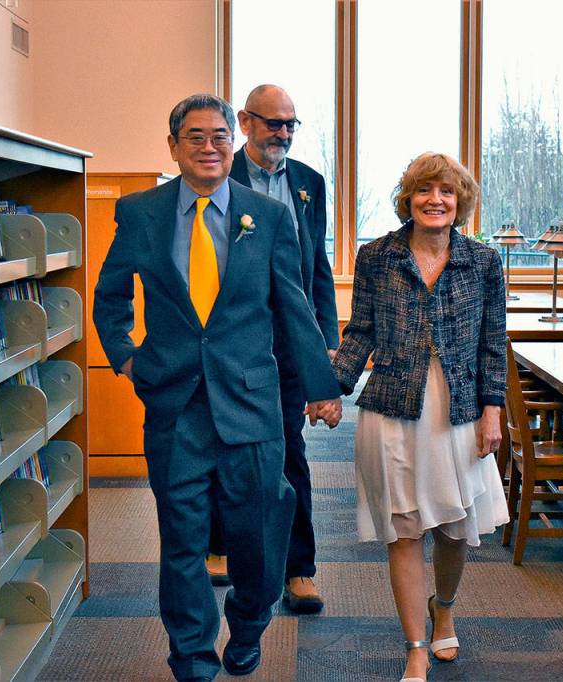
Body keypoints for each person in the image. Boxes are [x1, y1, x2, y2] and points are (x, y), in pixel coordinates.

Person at [92, 93, 343, 682]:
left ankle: (250, 623)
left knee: (258, 535)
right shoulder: (140, 213)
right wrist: (127, 358)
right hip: (175, 406)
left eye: (220, 136)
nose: (210, 147)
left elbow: (293, 306)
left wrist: (320, 386)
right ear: (174, 147)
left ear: (235, 142)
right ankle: (192, 658)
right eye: (196, 137)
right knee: (181, 541)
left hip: (252, 406)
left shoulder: (270, 215)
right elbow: (109, 297)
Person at [332, 153, 509, 682]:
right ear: (407, 199)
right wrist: (328, 389)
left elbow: (492, 344)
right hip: (392, 405)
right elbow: (360, 332)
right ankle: (414, 645)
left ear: (461, 202)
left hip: (459, 410)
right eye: (424, 190)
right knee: (404, 529)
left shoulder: (482, 262)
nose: (436, 200)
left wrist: (493, 412)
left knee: (456, 528)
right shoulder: (377, 256)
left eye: (447, 192)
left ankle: (445, 606)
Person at [206, 84, 338, 614]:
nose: (283, 134)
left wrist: (325, 348)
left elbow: (318, 271)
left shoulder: (309, 184)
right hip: (232, 346)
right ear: (245, 121)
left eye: (291, 124)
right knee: (228, 452)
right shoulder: (219, 175)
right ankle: (226, 551)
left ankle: (299, 570)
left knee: (289, 455)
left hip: (288, 345)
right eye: (273, 123)